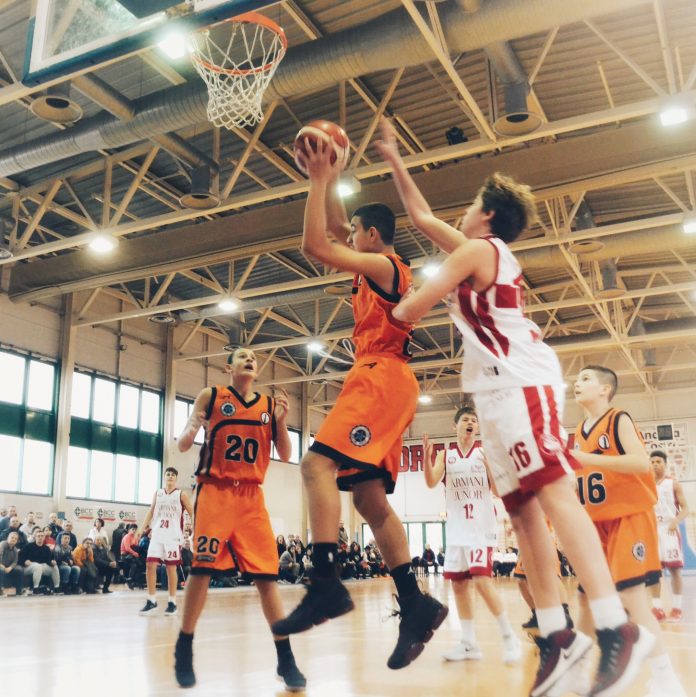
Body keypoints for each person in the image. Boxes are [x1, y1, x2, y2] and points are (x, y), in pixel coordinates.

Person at [380, 117, 652, 697]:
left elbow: (412, 308)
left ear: (487, 214)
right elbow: (425, 221)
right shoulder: (480, 249)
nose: (462, 212)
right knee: (525, 513)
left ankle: (613, 624)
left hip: (520, 381)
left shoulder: (482, 248)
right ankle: (558, 636)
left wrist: (374, 286)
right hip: (495, 389)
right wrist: (394, 159)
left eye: (472, 202)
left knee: (553, 494)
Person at [271, 136, 447, 672]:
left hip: (380, 376)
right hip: (382, 378)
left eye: (356, 233)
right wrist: (328, 174)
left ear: (372, 236)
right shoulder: (372, 266)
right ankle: (416, 603)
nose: (348, 237)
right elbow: (331, 230)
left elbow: (316, 246)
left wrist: (318, 178)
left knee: (314, 463)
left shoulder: (388, 266)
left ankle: (325, 582)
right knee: (370, 501)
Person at [173, 347, 306, 692]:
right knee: (202, 571)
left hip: (251, 497)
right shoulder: (212, 395)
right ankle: (184, 646)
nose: (250, 360)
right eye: (242, 356)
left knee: (267, 579)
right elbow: (184, 444)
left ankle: (285, 658)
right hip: (215, 491)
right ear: (228, 365)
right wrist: (192, 428)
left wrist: (280, 423)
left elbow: (287, 454)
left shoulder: (268, 406)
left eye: (254, 358)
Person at [574, 366, 686, 696]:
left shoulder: (617, 419)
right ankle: (578, 669)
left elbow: (640, 463)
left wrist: (585, 459)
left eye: (584, 379)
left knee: (633, 596)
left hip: (629, 517)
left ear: (604, 390)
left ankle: (666, 679)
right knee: (583, 598)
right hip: (596, 523)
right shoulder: (581, 428)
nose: (576, 384)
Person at [423, 405, 521, 663]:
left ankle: (510, 637)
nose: (471, 423)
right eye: (466, 419)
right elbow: (432, 482)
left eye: (474, 421)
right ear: (454, 425)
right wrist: (426, 459)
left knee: (481, 580)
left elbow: (499, 492)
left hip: (480, 529)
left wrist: (491, 466)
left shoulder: (484, 453)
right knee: (459, 584)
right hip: (456, 531)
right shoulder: (446, 455)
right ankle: (469, 644)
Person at [138, 467, 193, 616]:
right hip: (157, 535)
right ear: (164, 477)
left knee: (171, 569)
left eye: (173, 475)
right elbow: (150, 511)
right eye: (167, 474)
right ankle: (151, 600)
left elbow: (192, 511)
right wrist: (141, 529)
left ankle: (172, 602)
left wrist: (192, 526)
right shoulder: (158, 493)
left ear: (176, 478)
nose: (170, 476)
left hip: (173, 536)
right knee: (150, 565)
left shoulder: (181, 494)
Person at [650, 449, 689, 623]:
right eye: (653, 462)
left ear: (665, 464)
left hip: (669, 529)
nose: (655, 464)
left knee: (674, 570)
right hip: (652, 529)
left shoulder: (673, 483)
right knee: (654, 572)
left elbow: (686, 508)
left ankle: (677, 608)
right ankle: (657, 608)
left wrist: (676, 520)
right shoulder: (645, 484)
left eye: (658, 461)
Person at [19, 529, 60, 594]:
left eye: (42, 536)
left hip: (41, 566)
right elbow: (20, 558)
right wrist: (24, 561)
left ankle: (57, 588)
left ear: (44, 538)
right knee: (38, 566)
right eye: (38, 536)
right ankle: (35, 588)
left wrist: (51, 562)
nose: (40, 537)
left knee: (54, 567)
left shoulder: (46, 548)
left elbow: (48, 559)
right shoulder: (28, 546)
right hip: (28, 567)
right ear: (35, 537)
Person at [0, 531, 24, 596]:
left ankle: (19, 591)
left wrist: (10, 568)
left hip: (8, 566)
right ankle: (0, 590)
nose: (13, 539)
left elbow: (15, 561)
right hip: (0, 564)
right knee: (1, 570)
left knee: (20, 569)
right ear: (8, 538)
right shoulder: (3, 544)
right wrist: (1, 565)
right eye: (12, 537)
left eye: (15, 539)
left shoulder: (15, 549)